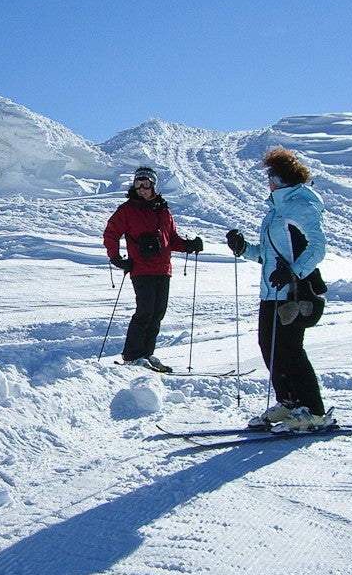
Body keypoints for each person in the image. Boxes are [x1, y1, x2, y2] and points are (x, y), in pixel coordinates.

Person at [225, 147, 331, 431]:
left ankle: (315, 412)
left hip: (293, 293)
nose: (267, 180)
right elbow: (268, 255)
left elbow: (318, 247)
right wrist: (244, 248)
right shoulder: (275, 211)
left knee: (291, 350)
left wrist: (293, 272)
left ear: (282, 178)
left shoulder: (301, 207)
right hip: (271, 292)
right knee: (270, 348)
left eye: (270, 175)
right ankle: (290, 402)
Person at [104, 166, 203, 372]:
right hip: (141, 269)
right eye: (138, 183)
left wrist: (188, 245)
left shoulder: (163, 210)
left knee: (158, 313)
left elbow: (171, 240)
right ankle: (132, 355)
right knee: (145, 312)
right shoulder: (127, 210)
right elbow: (111, 233)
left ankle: (147, 354)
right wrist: (116, 258)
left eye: (146, 183)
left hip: (163, 269)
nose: (141, 188)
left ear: (153, 185)